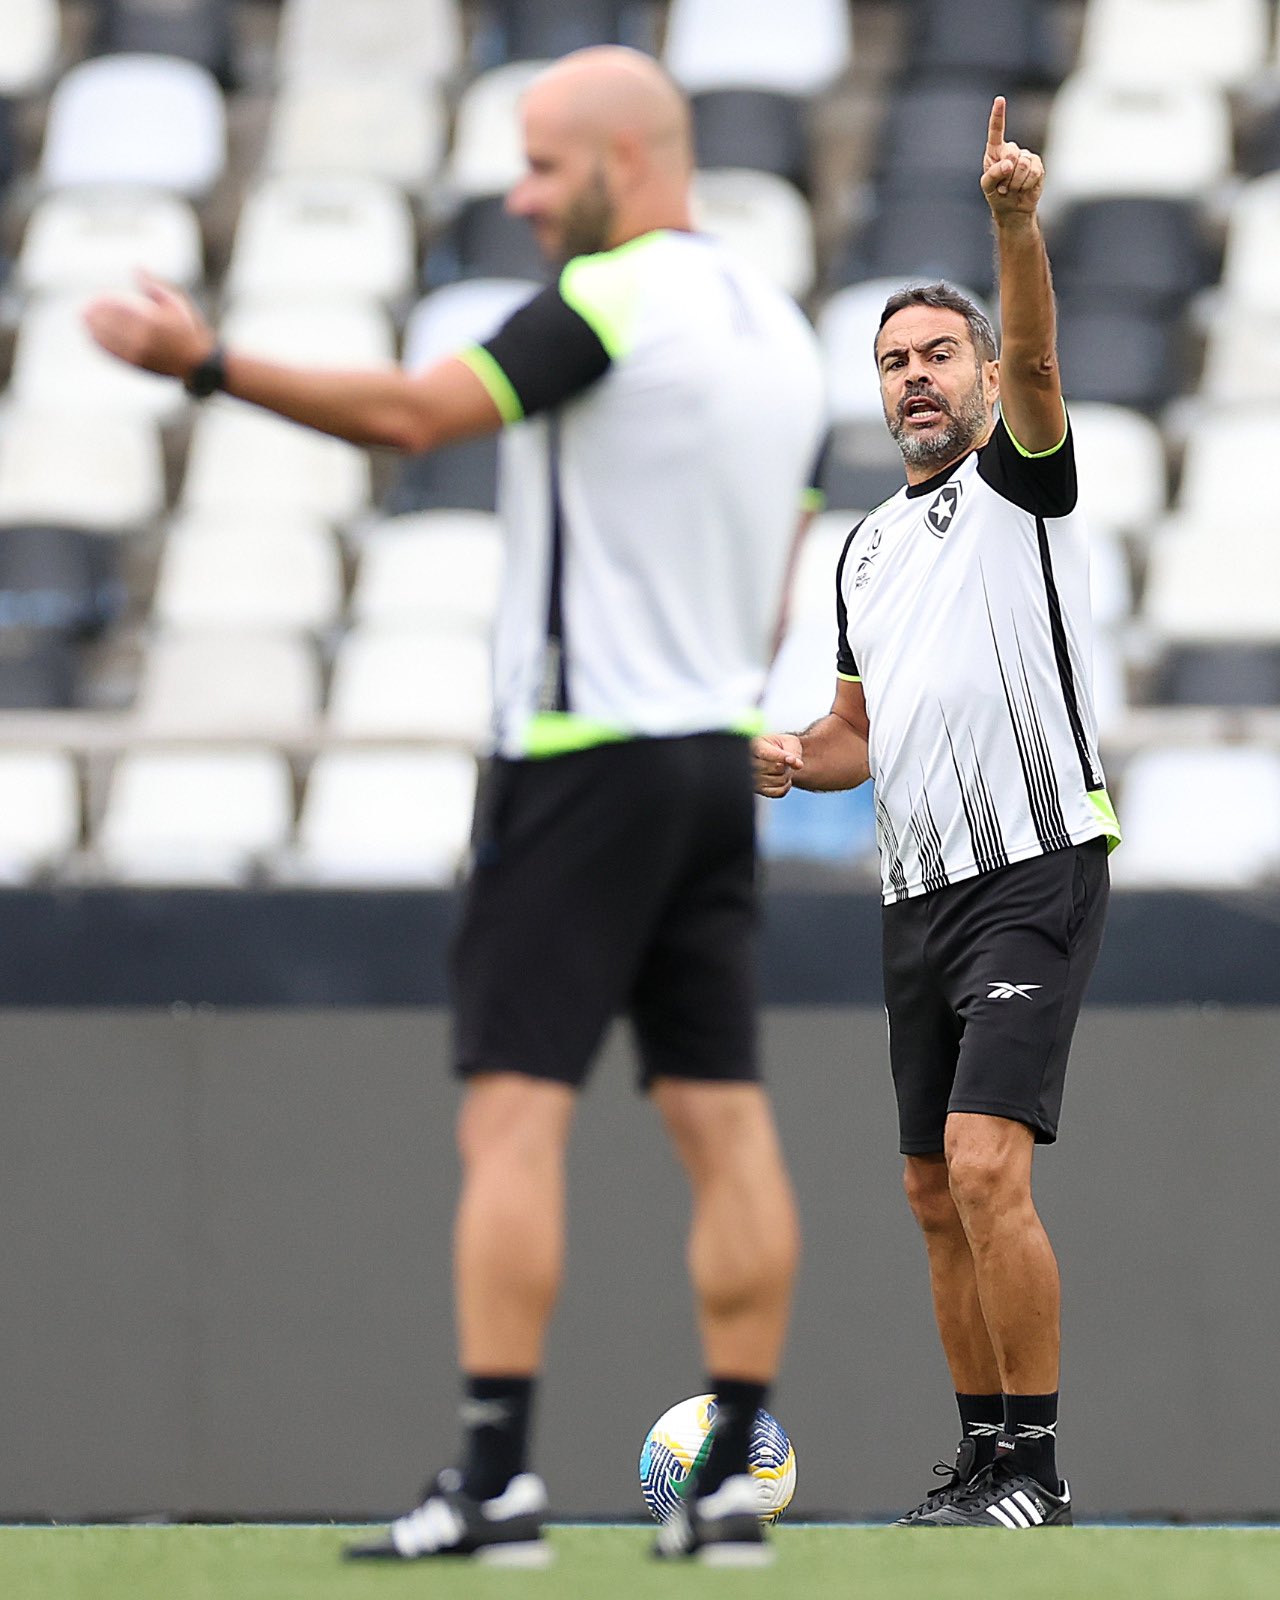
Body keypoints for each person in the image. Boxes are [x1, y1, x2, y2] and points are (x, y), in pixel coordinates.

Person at [86, 47, 825, 1565]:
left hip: (577, 757)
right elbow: (773, 583)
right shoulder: (778, 326)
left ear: (631, 156)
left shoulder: (611, 301)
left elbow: (419, 418)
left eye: (549, 163)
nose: (522, 192)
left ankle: (495, 1486)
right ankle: (733, 1485)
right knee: (726, 1122)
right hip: (707, 760)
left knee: (512, 1120)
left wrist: (206, 366)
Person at [754, 98, 1116, 1530]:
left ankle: (1037, 1466)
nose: (916, 378)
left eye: (936, 354)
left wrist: (1014, 225)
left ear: (979, 373)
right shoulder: (866, 549)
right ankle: (979, 1457)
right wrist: (786, 754)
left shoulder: (1025, 483)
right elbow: (859, 734)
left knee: (983, 1163)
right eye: (895, 360)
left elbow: (1038, 350)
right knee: (927, 1190)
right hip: (919, 887)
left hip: (1037, 860)